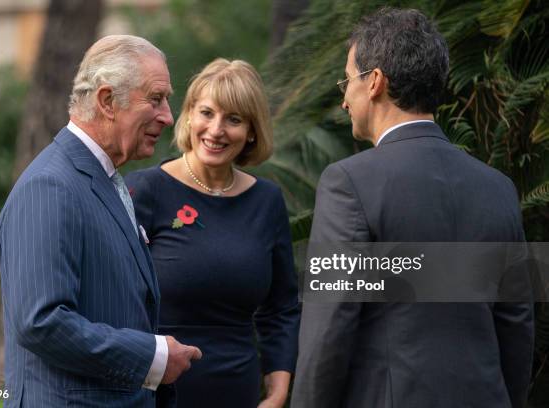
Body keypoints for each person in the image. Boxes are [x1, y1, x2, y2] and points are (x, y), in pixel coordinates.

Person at [291, 7, 534, 408]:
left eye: (346, 81)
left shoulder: (348, 183)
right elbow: (515, 324)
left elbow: (329, 327)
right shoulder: (499, 188)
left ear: (375, 83)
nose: (344, 99)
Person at [0, 35, 202, 408]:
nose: (168, 116)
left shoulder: (98, 178)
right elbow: (40, 322)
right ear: (107, 101)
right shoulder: (50, 185)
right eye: (155, 98)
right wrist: (152, 357)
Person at [125, 58, 300, 408]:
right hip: (155, 392)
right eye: (207, 112)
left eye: (233, 119)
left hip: (240, 391)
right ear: (189, 115)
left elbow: (281, 308)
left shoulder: (266, 201)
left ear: (252, 131)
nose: (216, 130)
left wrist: (279, 391)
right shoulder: (143, 192)